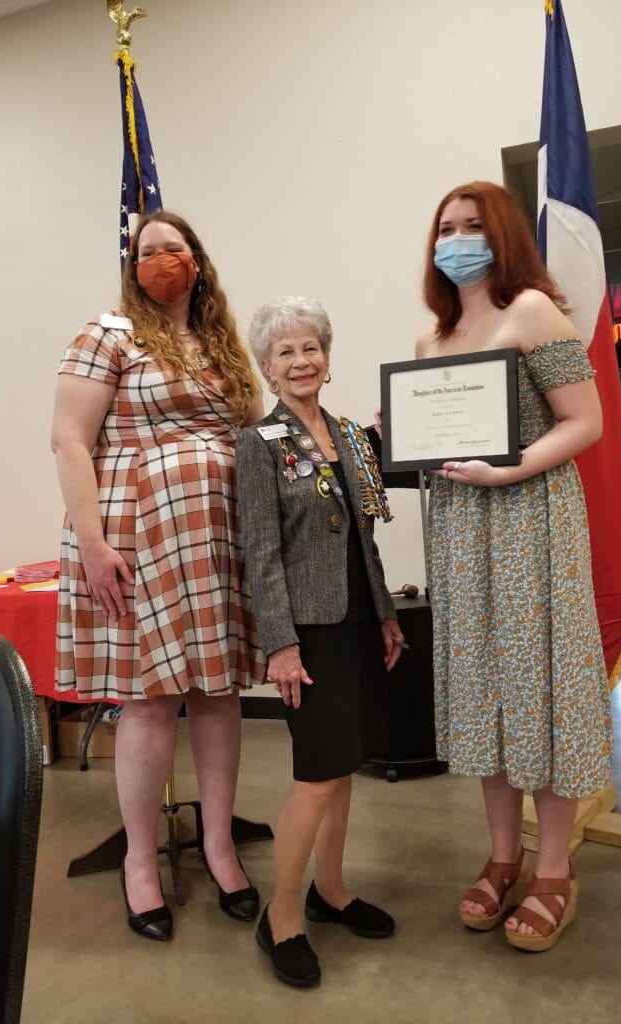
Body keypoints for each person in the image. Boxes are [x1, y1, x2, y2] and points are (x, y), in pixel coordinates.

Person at [51, 210, 266, 942]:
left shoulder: (222, 345)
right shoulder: (109, 332)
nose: (162, 259)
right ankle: (139, 862)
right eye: (147, 251)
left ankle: (218, 845)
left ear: (196, 262)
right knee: (148, 704)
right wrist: (90, 542)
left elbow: (254, 433)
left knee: (217, 696)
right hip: (137, 537)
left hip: (219, 541)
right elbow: (69, 438)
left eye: (174, 248)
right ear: (131, 265)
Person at [414, 180, 613, 951]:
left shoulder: (531, 310)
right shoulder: (434, 337)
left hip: (530, 520)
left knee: (541, 689)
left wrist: (509, 469)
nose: (457, 238)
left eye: (472, 226)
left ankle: (555, 868)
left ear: (501, 236)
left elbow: (584, 420)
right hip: (462, 534)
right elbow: (441, 437)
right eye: (446, 228)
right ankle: (503, 856)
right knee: (487, 694)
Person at [236, 297, 405, 987]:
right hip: (308, 632)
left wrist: (388, 613)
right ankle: (281, 917)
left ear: (326, 358)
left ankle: (329, 891)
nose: (302, 361)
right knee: (314, 778)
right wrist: (279, 643)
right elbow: (261, 551)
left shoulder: (351, 438)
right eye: (286, 353)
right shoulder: (261, 443)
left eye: (311, 348)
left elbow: (367, 535)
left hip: (360, 620)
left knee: (342, 769)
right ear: (268, 367)